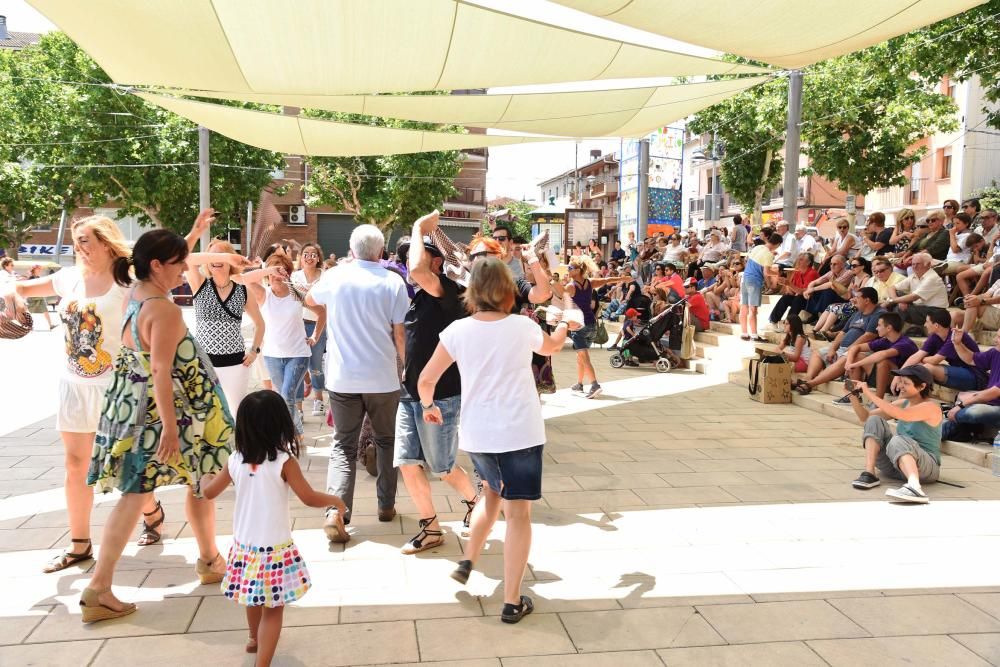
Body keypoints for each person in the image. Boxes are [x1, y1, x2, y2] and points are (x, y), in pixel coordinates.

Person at [81, 229, 234, 623]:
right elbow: (161, 371)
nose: (186, 269)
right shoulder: (164, 310)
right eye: (179, 263)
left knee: (194, 483)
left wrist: (195, 231)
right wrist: (169, 426)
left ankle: (209, 559)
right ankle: (99, 587)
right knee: (145, 492)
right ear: (156, 265)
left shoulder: (136, 292)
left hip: (137, 408)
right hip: (171, 415)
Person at [418, 257, 572, 624]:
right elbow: (551, 348)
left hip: (478, 433)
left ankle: (469, 558)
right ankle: (511, 600)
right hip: (521, 431)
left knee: (491, 491)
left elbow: (426, 380)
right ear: (506, 291)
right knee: (518, 512)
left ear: (472, 292)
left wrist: (428, 407)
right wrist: (566, 318)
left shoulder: (457, 330)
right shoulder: (522, 326)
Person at [3, 216, 163, 571]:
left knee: (124, 466)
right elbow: (22, 289)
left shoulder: (127, 277)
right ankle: (79, 544)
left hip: (116, 386)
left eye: (86, 240)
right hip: (74, 387)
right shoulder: (68, 278)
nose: (79, 248)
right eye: (77, 241)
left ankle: (151, 509)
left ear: (106, 242)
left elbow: (170, 266)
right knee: (75, 465)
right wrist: (14, 296)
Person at [202, 390, 348, 667]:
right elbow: (308, 497)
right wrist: (335, 500)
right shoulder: (283, 461)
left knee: (253, 598)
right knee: (273, 608)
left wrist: (204, 479)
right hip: (275, 548)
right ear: (280, 424)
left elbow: (208, 493)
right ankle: (263, 663)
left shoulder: (235, 459)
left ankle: (253, 639)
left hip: (244, 546)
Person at [306, 224, 410, 542]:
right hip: (382, 377)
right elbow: (400, 332)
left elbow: (310, 298)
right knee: (387, 441)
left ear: (352, 250)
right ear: (381, 251)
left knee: (343, 445)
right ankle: (386, 506)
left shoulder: (336, 277)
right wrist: (403, 366)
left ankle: (337, 511)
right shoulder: (393, 281)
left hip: (342, 376)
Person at [394, 211, 479, 555]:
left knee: (441, 466)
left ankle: (478, 502)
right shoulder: (419, 296)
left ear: (437, 261)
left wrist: (417, 227)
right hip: (410, 394)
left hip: (441, 397)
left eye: (416, 251)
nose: (408, 261)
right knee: (407, 461)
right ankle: (430, 527)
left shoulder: (449, 291)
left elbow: (417, 270)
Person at [185, 211, 267, 416]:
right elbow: (187, 258)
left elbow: (260, 324)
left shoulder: (242, 289)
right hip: (204, 363)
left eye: (222, 254)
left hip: (235, 364)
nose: (217, 260)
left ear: (231, 260)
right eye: (213, 256)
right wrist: (219, 254)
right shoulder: (200, 284)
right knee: (204, 415)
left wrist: (254, 350)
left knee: (235, 413)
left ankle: (239, 448)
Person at [248, 253, 325, 439]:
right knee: (284, 398)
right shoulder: (263, 294)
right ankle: (297, 433)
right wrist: (266, 269)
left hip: (298, 353)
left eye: (280, 271)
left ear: (287, 274)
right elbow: (242, 279)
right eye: (272, 272)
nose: (275, 276)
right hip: (272, 355)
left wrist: (315, 336)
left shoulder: (296, 293)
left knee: (287, 396)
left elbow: (322, 312)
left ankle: (287, 438)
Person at [847, 365, 942, 504]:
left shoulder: (931, 408)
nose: (900, 386)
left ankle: (914, 487)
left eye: (906, 383)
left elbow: (903, 415)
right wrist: (853, 396)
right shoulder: (903, 403)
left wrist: (869, 393)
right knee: (874, 420)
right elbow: (865, 417)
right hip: (895, 463)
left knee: (898, 440)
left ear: (922, 386)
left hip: (926, 469)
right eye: (900, 381)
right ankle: (869, 473)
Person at [555, 255, 629, 398]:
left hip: (579, 326)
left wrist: (553, 280)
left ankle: (595, 384)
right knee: (580, 357)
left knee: (584, 357)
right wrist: (622, 279)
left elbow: (559, 293)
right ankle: (579, 384)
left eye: (570, 268)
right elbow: (607, 280)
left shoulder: (571, 286)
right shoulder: (590, 282)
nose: (568, 270)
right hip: (591, 325)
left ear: (577, 270)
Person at [794, 288, 884, 395]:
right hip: (843, 348)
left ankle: (810, 384)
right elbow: (842, 333)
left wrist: (851, 348)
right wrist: (832, 348)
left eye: (857, 297)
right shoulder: (857, 313)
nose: (853, 300)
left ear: (867, 300)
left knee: (844, 360)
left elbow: (869, 335)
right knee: (817, 353)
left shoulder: (878, 314)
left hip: (859, 350)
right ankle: (807, 378)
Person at [897, 309, 985, 392]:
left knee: (926, 368)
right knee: (916, 367)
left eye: (927, 322)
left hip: (975, 376)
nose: (924, 324)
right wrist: (898, 375)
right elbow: (917, 356)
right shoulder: (935, 336)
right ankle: (911, 400)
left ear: (936, 325)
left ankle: (922, 403)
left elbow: (935, 360)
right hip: (959, 371)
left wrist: (923, 359)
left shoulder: (954, 336)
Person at [290, 242, 329, 417]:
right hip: (298, 325)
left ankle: (318, 399)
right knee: (297, 366)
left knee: (315, 364)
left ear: (318, 257)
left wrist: (308, 292)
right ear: (301, 257)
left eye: (313, 254)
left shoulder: (325, 276)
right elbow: (293, 298)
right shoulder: (295, 276)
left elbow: (326, 300)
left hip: (318, 324)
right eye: (306, 254)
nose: (309, 257)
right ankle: (298, 408)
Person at [842, 312, 918, 399]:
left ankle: (878, 401)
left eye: (879, 325)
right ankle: (853, 396)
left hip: (901, 383)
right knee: (856, 356)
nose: (876, 328)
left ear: (889, 328)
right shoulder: (885, 340)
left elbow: (882, 354)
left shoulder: (905, 343)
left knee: (883, 362)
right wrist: (849, 362)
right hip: (884, 377)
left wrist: (854, 365)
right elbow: (856, 347)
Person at [943, 329, 1000, 441]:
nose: (995, 340)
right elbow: (971, 359)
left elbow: (994, 392)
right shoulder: (995, 353)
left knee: (975, 411)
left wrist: (960, 406)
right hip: (990, 403)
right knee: (964, 398)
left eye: (999, 337)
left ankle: (944, 424)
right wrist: (958, 343)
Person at [884, 252, 949, 332]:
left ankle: (894, 331)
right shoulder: (914, 276)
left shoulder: (932, 278)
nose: (914, 267)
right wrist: (897, 300)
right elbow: (892, 288)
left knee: (897, 307)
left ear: (928, 264)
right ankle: (894, 328)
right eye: (913, 264)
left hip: (935, 312)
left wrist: (892, 301)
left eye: (918, 264)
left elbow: (914, 297)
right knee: (898, 296)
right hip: (920, 308)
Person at [739, 233, 782, 341]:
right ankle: (754, 335)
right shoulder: (769, 255)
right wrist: (775, 275)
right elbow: (766, 273)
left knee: (744, 307)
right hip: (754, 281)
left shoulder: (758, 247)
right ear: (777, 244)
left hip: (745, 277)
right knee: (753, 309)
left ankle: (744, 333)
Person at [767, 252, 818, 328]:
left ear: (808, 262)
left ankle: (788, 323)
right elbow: (792, 292)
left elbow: (803, 292)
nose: (798, 261)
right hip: (801, 298)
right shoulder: (798, 273)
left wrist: (788, 284)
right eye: (798, 259)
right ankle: (773, 321)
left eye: (801, 260)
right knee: (786, 298)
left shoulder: (812, 273)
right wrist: (785, 283)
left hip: (811, 301)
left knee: (798, 298)